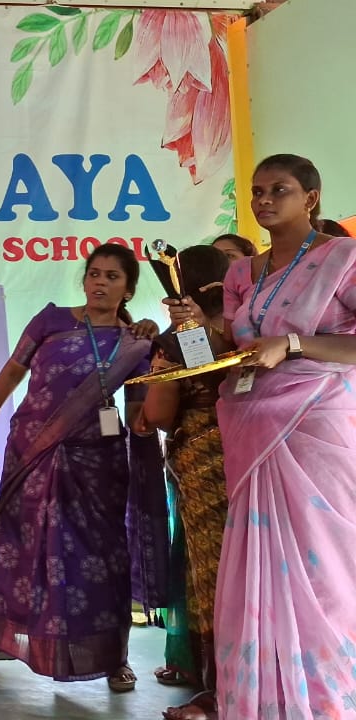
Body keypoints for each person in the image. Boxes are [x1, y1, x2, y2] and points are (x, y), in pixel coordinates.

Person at [170, 154, 356, 719]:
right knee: (256, 564)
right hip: (249, 424)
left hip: (315, 426)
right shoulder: (240, 273)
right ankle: (266, 696)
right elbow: (227, 356)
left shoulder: (343, 258)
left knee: (323, 562)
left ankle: (328, 697)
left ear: (312, 198)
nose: (264, 200)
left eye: (280, 189)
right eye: (256, 191)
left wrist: (295, 345)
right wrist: (195, 330)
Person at [0, 243, 156, 693]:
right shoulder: (51, 320)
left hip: (97, 462)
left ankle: (114, 659)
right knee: (19, 546)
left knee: (102, 559)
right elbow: (13, 370)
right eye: (94, 274)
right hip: (32, 449)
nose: (100, 283)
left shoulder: (136, 342)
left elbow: (142, 409)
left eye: (112, 277)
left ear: (128, 289)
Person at [142, 246, 231, 720]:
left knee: (214, 578)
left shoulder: (182, 341)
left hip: (203, 463)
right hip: (266, 454)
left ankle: (222, 691)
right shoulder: (251, 328)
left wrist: (183, 335)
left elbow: (158, 413)